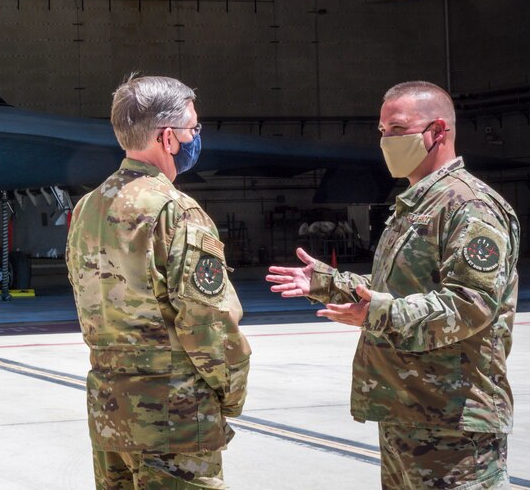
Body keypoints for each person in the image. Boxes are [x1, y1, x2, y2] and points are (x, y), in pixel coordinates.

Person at [267, 80, 520, 489]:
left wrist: (378, 313)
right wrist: (329, 283)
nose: (386, 141)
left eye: (397, 130)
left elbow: (470, 305)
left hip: (454, 421)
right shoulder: (417, 204)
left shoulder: (468, 205)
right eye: (382, 132)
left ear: (438, 131)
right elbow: (396, 286)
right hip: (408, 411)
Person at [66, 74, 251, 489]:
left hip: (111, 410)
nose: (196, 137)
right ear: (168, 138)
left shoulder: (87, 207)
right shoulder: (175, 210)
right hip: (173, 417)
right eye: (193, 129)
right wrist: (231, 394)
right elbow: (209, 322)